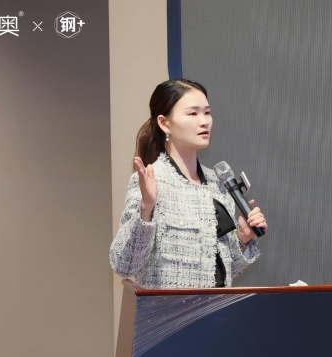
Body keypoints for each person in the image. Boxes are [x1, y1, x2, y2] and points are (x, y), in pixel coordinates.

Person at [109, 79, 268, 288]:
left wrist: (243, 237)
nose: (204, 121)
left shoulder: (218, 184)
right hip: (170, 308)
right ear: (164, 123)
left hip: (217, 306)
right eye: (193, 113)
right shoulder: (152, 180)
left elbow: (224, 271)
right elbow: (124, 265)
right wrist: (146, 207)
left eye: (207, 112)